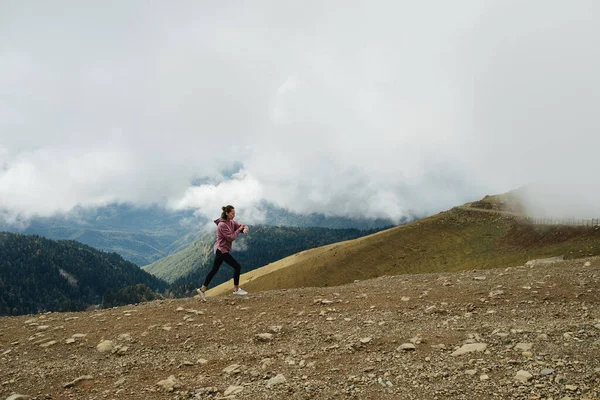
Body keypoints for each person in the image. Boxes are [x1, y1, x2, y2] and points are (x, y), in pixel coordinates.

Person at [196, 205, 249, 301]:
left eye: (234, 213)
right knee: (237, 267)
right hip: (222, 250)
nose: (234, 215)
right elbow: (231, 237)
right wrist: (239, 229)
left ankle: (202, 289)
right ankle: (236, 289)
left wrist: (244, 228)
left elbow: (242, 225)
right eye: (232, 213)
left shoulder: (231, 222)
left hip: (222, 250)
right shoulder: (222, 225)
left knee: (214, 270)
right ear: (227, 213)